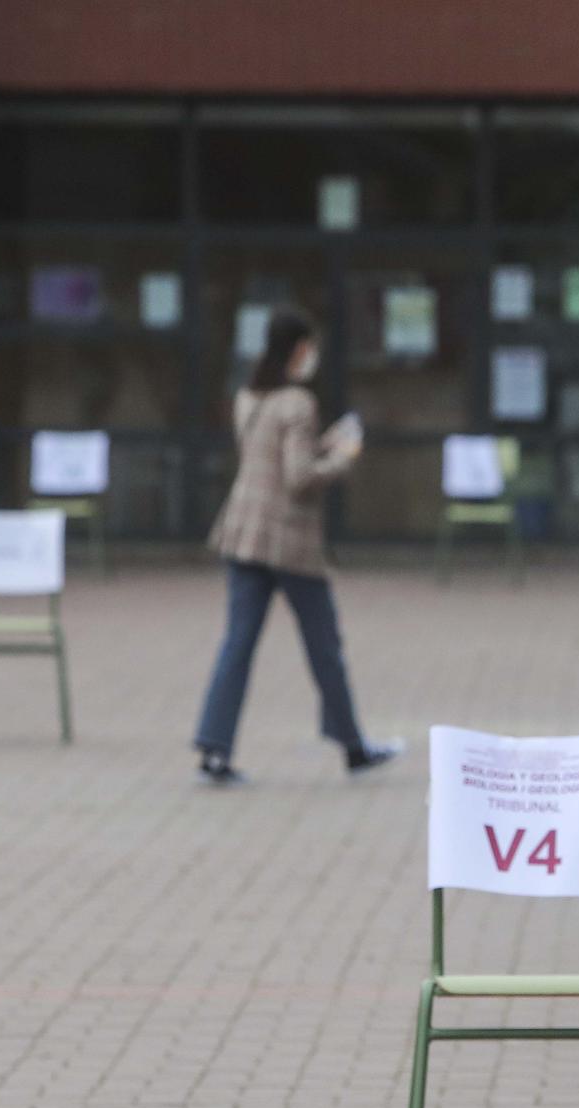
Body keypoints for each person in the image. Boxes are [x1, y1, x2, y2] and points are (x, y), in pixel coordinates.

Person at [192, 307, 399, 783]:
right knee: (324, 645)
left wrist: (319, 445)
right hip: (288, 540)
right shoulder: (298, 403)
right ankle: (353, 748)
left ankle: (213, 749)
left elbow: (269, 459)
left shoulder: (249, 396)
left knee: (237, 643)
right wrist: (344, 458)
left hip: (243, 531)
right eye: (310, 347)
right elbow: (299, 477)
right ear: (299, 349)